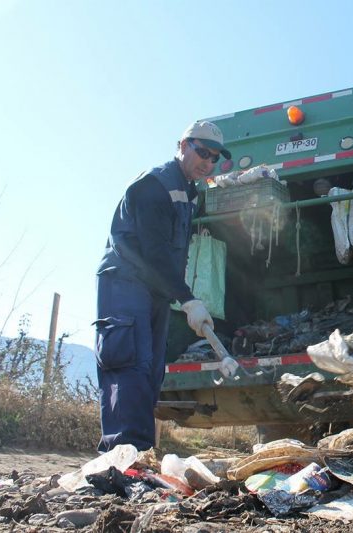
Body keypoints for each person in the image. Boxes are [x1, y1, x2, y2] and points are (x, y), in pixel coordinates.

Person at [93, 120, 231, 452]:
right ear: (182, 145)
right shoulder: (153, 186)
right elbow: (154, 252)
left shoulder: (187, 192)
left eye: (214, 158)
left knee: (151, 371)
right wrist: (187, 299)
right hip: (126, 283)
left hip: (154, 289)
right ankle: (121, 459)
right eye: (202, 152)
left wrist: (179, 296)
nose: (208, 163)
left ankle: (138, 455)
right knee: (129, 366)